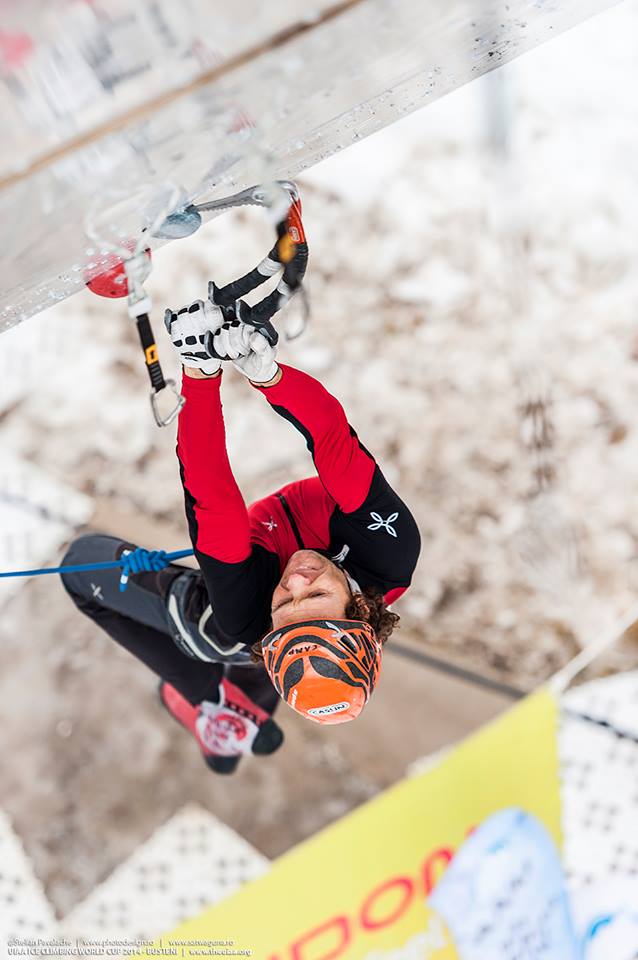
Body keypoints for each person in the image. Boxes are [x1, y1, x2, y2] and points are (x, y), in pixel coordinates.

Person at [61, 296, 421, 774]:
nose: (295, 581)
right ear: (357, 607)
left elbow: (212, 496)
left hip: (239, 622)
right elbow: (335, 439)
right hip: (285, 588)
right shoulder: (390, 552)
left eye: (285, 605)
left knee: (79, 566)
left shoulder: (247, 618)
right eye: (314, 593)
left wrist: (200, 373)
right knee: (263, 654)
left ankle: (210, 701)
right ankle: (245, 711)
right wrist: (270, 375)